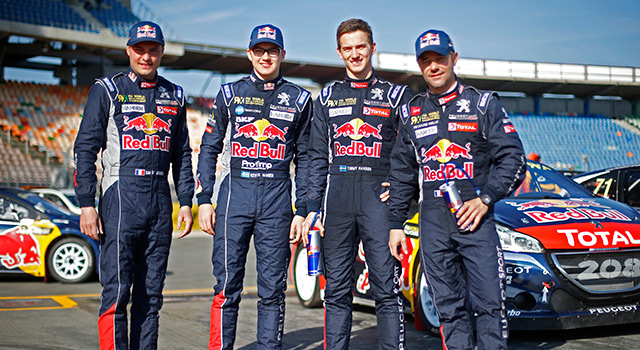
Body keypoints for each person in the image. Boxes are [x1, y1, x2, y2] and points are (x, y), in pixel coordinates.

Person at [387, 29, 526, 350]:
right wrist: (395, 224)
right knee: (449, 310)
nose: (434, 66)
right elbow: (401, 172)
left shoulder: (482, 104)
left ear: (454, 58)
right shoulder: (411, 112)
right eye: (426, 60)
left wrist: (485, 199)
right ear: (420, 65)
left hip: (476, 221)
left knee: (490, 306)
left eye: (440, 58)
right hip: (433, 224)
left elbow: (514, 159)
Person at [73, 21, 194, 349]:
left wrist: (185, 201)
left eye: (152, 49)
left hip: (159, 201)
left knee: (151, 297)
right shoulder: (107, 89)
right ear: (129, 50)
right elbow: (85, 149)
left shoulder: (175, 94)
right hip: (120, 197)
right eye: (139, 49)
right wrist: (86, 203)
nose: (146, 56)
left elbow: (182, 153)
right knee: (116, 293)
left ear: (161, 52)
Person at [196, 24, 312, 350]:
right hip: (235, 195)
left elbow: (305, 159)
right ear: (249, 54)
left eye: (272, 51)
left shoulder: (300, 99)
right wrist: (204, 199)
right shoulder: (228, 94)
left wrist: (301, 210)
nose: (265, 56)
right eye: (259, 50)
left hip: (277, 200)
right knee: (226, 285)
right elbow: (208, 148)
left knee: (273, 290)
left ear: (282, 55)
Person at [302, 18, 412, 350]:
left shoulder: (396, 96)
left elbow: (410, 152)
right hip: (337, 201)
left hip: (378, 201)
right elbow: (316, 157)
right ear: (339, 52)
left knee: (386, 288)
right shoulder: (326, 98)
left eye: (360, 46)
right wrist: (310, 208)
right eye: (347, 49)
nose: (355, 54)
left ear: (372, 48)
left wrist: (402, 187)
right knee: (335, 288)